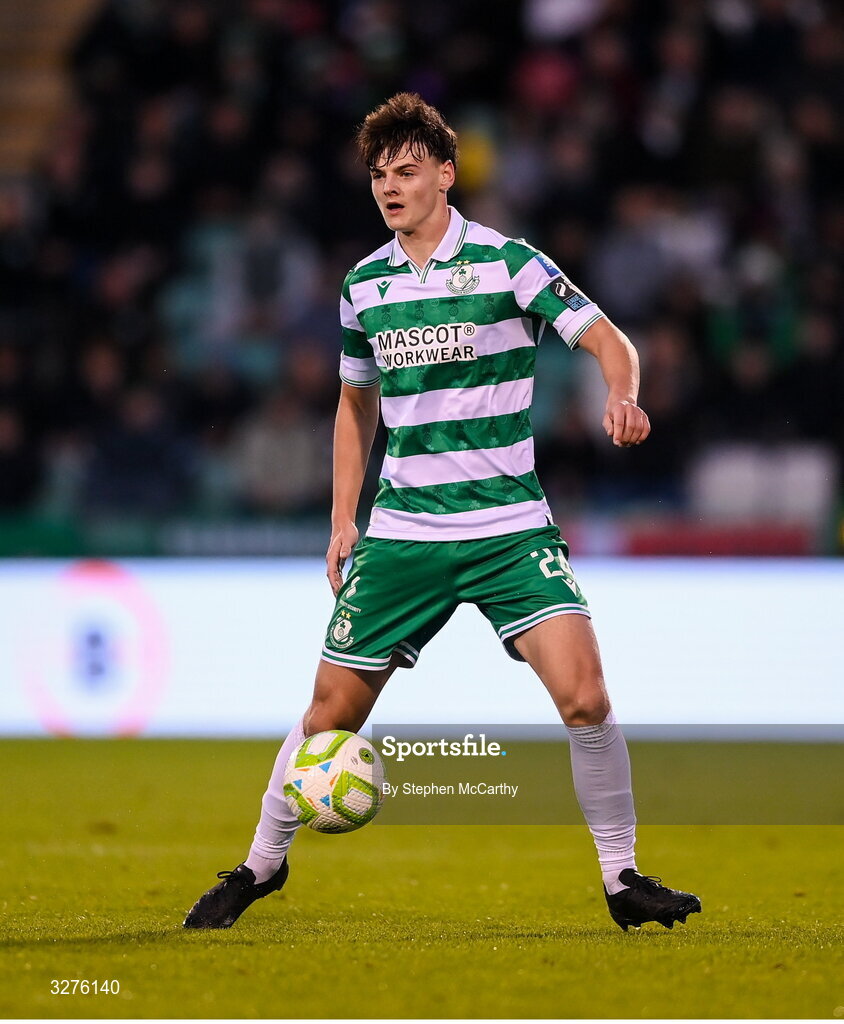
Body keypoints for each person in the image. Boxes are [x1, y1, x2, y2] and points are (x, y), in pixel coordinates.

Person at [184, 93, 701, 933]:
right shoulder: (364, 285)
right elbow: (355, 406)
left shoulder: (510, 263)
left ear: (447, 175)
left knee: (586, 698)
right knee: (327, 718)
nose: (390, 187)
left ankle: (622, 879)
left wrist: (624, 394)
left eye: (407, 170)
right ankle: (259, 865)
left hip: (509, 527)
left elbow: (611, 339)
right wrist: (343, 519)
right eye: (379, 175)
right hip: (404, 532)